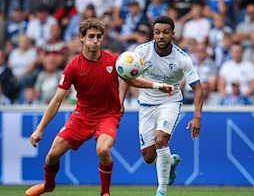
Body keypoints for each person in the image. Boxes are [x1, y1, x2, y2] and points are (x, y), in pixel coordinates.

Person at [24, 18, 174, 196]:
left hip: (108, 116)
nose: (95, 40)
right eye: (91, 36)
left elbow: (132, 80)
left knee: (103, 150)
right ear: (82, 38)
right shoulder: (73, 67)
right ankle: (48, 185)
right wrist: (39, 129)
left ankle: (105, 193)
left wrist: (158, 85)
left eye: (99, 37)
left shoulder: (114, 61)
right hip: (82, 116)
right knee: (52, 155)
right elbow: (56, 100)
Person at [120, 15, 203, 196]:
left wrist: (197, 116)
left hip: (170, 102)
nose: (161, 36)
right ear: (153, 34)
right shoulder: (141, 52)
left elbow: (198, 88)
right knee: (149, 157)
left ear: (173, 34)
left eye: (166, 32)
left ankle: (161, 190)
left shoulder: (182, 58)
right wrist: (121, 100)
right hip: (146, 105)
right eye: (157, 32)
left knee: (161, 139)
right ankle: (170, 162)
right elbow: (127, 76)